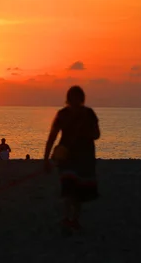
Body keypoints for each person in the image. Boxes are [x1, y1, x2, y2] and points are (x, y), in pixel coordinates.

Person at [43, 85, 100, 230]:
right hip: (66, 157)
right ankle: (67, 218)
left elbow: (96, 135)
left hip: (84, 158)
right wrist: (46, 159)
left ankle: (74, 219)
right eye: (72, 98)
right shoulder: (62, 114)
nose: (75, 101)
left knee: (79, 191)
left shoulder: (89, 114)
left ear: (81, 99)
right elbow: (52, 136)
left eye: (77, 98)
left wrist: (85, 133)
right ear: (69, 99)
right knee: (68, 188)